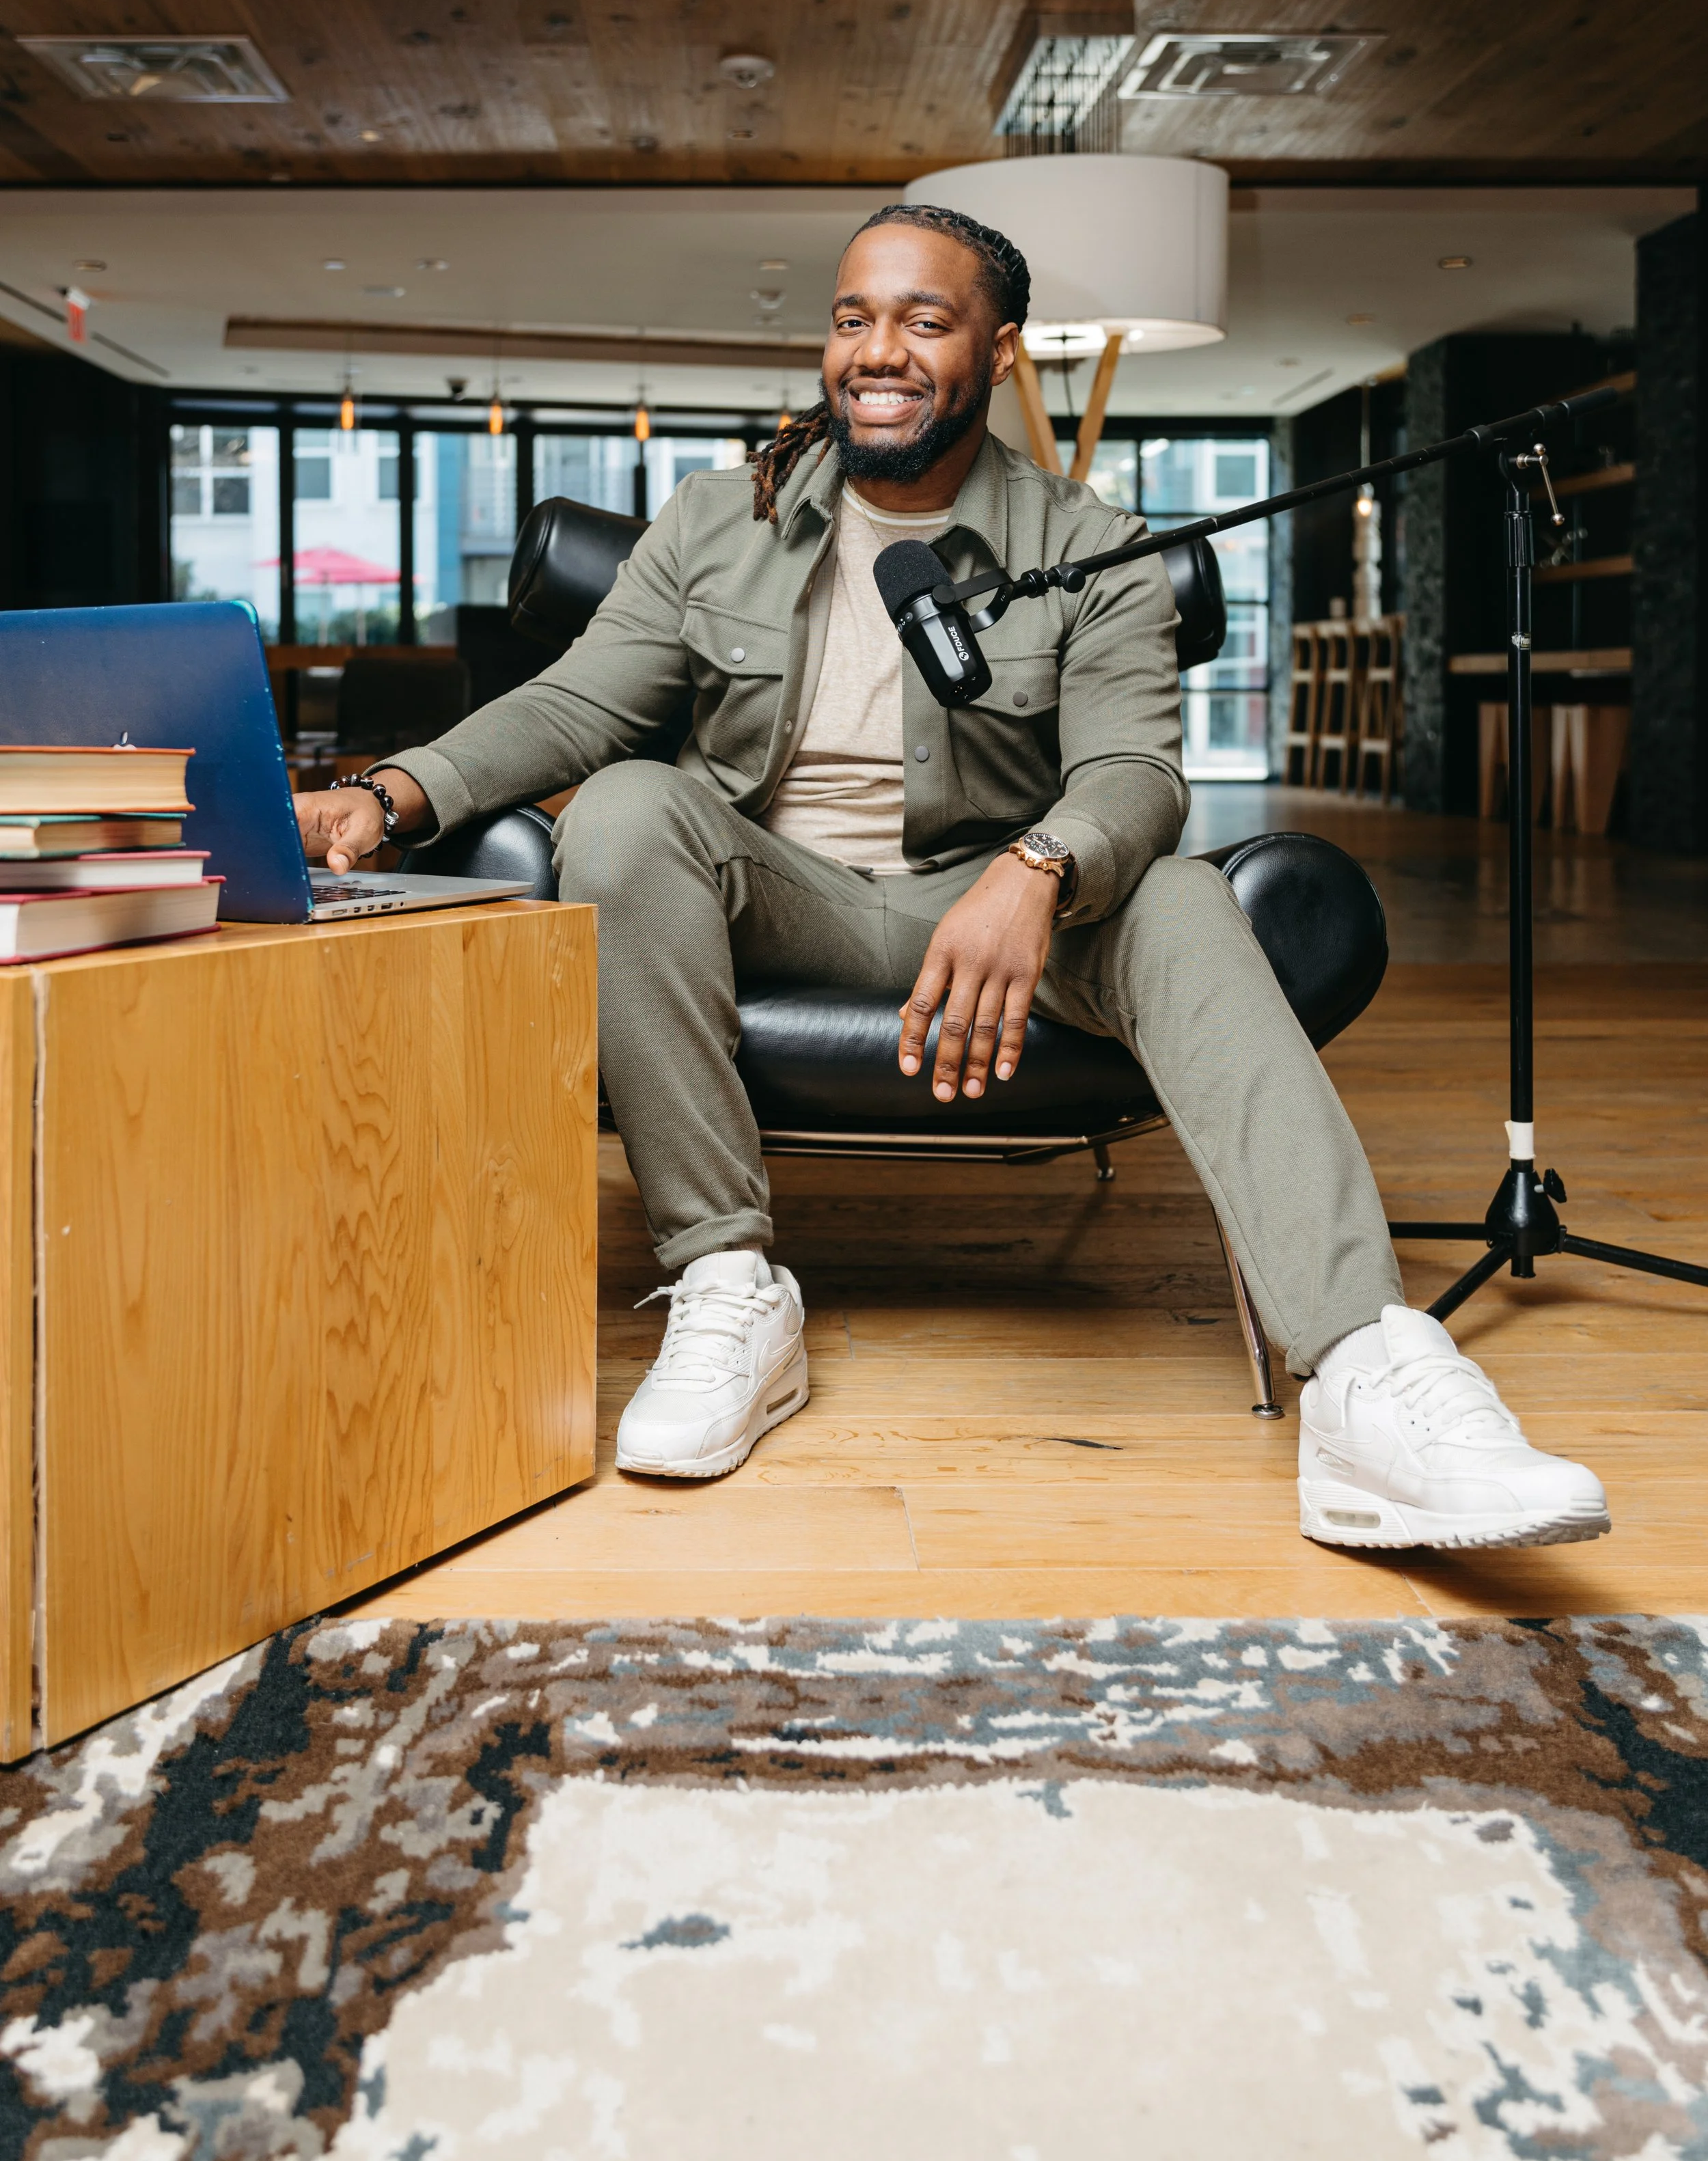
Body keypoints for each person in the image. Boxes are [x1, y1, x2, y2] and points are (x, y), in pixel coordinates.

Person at [293, 203, 1610, 1556]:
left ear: (998, 350)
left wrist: (1037, 866)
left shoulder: (1089, 541)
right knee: (626, 808)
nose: (879, 349)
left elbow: (1136, 776)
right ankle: (728, 1285)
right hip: (772, 890)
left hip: (994, 905)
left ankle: (1364, 1375)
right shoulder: (713, 519)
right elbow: (576, 702)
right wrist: (392, 795)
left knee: (1174, 890)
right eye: (854, 317)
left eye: (924, 321)